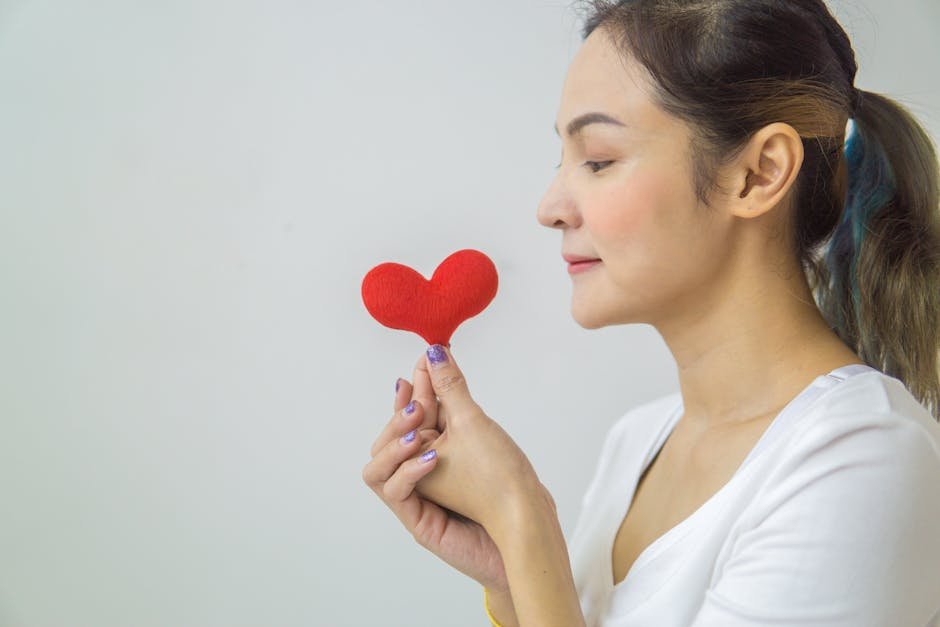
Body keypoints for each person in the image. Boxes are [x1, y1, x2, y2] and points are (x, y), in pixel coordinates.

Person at [361, 0, 940, 625]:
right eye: (562, 159)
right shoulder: (637, 441)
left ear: (758, 174)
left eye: (599, 159)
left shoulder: (862, 461)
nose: (550, 206)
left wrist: (519, 514)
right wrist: (509, 575)